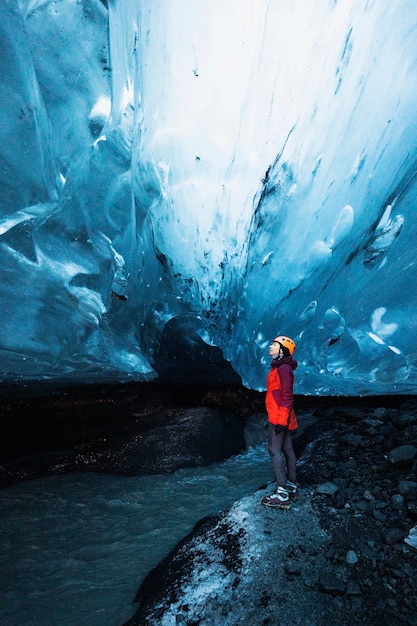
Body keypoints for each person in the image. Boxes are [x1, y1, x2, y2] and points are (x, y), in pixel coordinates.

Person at [261, 335, 298, 510]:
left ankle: (282, 494)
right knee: (287, 449)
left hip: (279, 417)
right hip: (281, 415)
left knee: (274, 450)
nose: (270, 347)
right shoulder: (281, 368)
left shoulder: (283, 369)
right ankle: (291, 486)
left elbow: (287, 396)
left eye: (274, 345)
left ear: (282, 350)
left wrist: (280, 420)